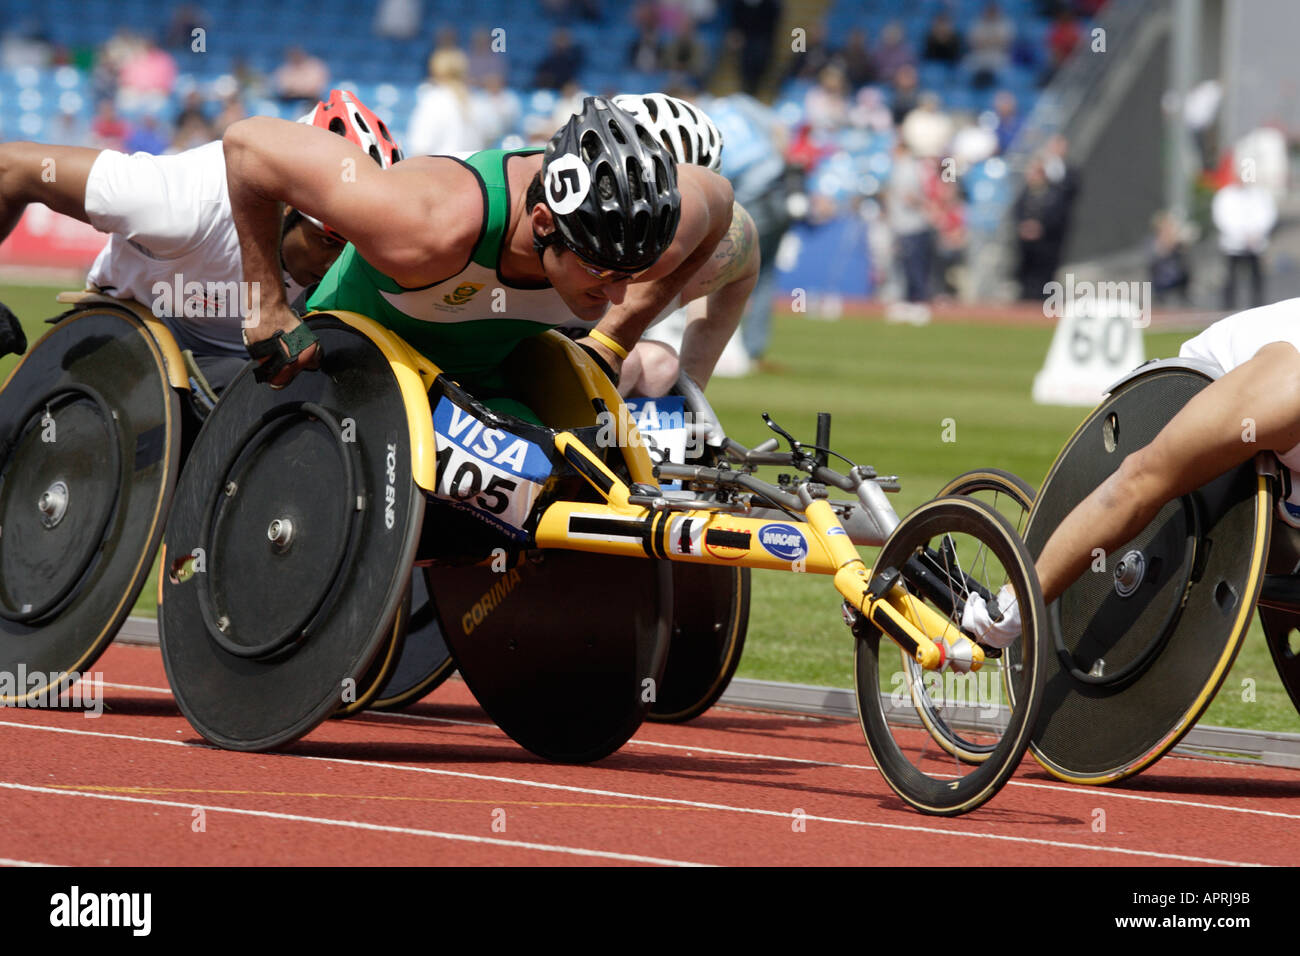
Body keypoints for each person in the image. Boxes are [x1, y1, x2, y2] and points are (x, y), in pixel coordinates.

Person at [222, 97, 748, 410]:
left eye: (626, 275)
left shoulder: (644, 239)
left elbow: (721, 203)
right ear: (543, 223)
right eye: (598, 271)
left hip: (480, 390)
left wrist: (616, 340)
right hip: (344, 378)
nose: (615, 292)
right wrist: (265, 305)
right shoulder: (425, 226)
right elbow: (248, 145)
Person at [0, 89, 400, 407]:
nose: (336, 265)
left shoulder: (359, 262)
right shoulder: (176, 205)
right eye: (328, 241)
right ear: (286, 205)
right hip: (125, 336)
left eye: (353, 248)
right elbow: (12, 168)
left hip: (239, 367)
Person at [963, 298, 1300, 648]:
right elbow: (1136, 484)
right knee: (1147, 480)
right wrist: (1016, 609)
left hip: (1281, 446)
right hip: (1204, 401)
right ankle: (1010, 604)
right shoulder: (1285, 393)